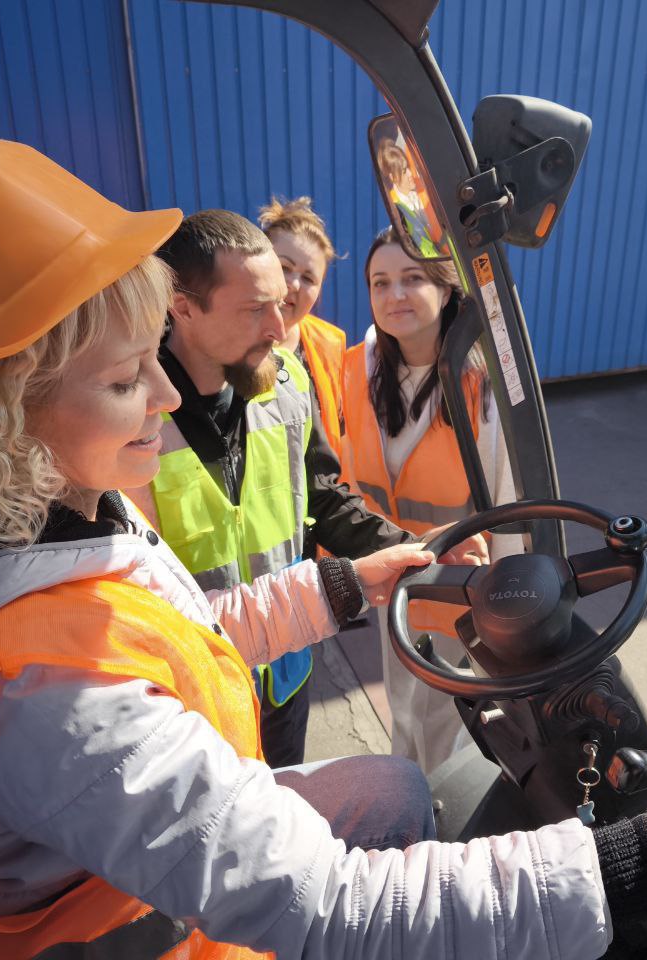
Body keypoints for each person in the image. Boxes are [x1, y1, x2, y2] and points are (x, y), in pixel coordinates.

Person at [0, 136, 647, 959]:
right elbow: (328, 909)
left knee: (398, 788)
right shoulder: (43, 690)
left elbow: (171, 632)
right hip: (112, 936)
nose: (163, 397)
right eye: (122, 380)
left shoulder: (29, 523)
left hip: (110, 872)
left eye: (152, 360)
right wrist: (633, 864)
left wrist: (341, 588)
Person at [150, 209, 484, 767]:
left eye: (282, 302)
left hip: (283, 672)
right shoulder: (134, 416)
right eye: (255, 309)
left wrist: (413, 549)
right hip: (191, 693)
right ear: (181, 306)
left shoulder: (286, 381)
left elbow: (324, 498)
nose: (279, 327)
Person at [339, 225, 521, 775]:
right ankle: (406, 804)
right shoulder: (355, 371)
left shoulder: (482, 384)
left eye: (412, 278)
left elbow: (510, 499)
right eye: (380, 282)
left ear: (445, 289)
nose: (394, 294)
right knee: (404, 711)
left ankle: (439, 815)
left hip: (462, 589)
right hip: (393, 581)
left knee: (449, 724)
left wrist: (512, 598)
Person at [257, 196, 346, 459]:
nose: (294, 284)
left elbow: (340, 432)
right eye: (285, 267)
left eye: (308, 278)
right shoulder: (225, 339)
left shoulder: (331, 343)